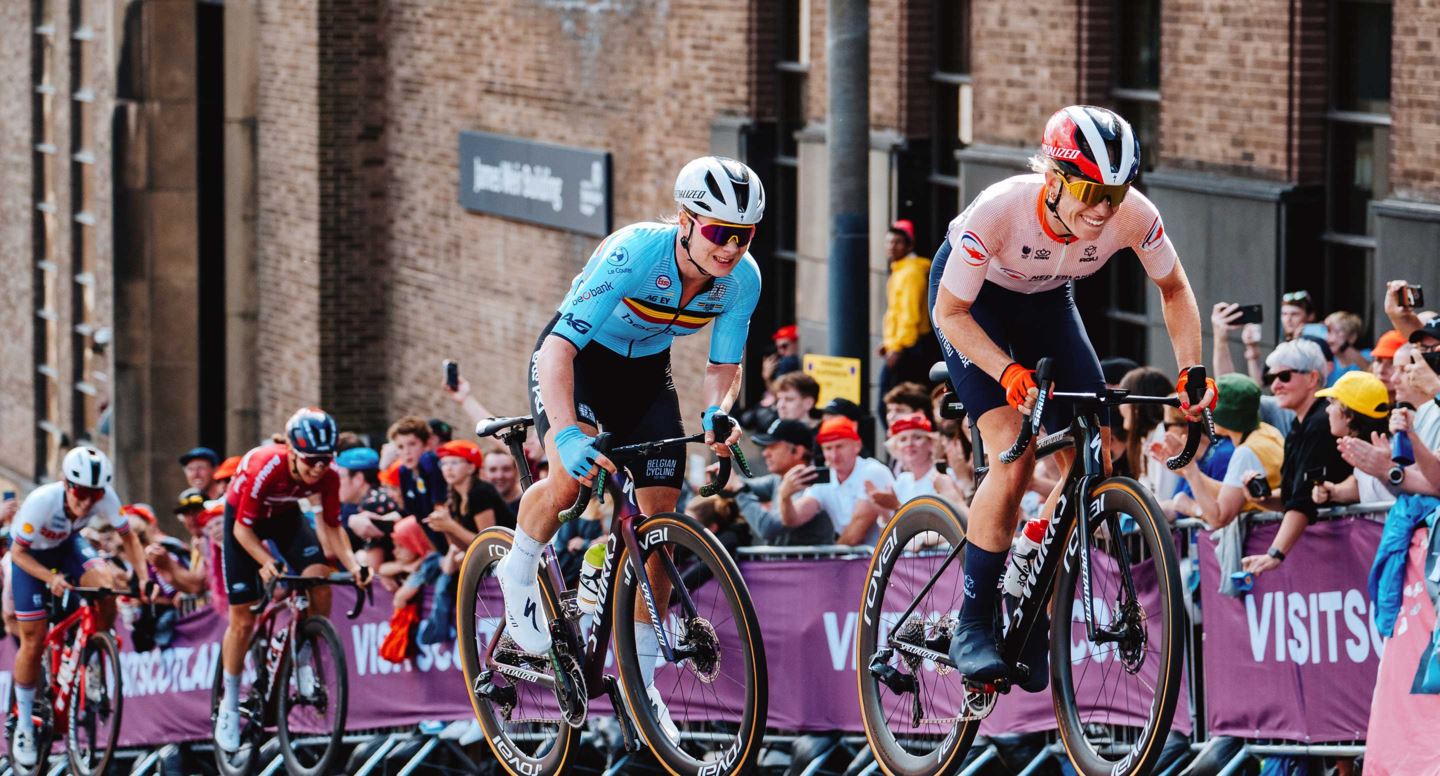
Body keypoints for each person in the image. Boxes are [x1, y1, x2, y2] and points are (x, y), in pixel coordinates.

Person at [927, 105, 1213, 692]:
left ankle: (1032, 555)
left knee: (1095, 458)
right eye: (1089, 190)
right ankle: (973, 622)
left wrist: (1192, 370)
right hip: (973, 305)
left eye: (1115, 191)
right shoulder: (1001, 209)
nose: (1103, 209)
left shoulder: (1133, 216)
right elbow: (949, 314)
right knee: (1013, 450)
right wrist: (1005, 370)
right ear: (1054, 178)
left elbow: (1175, 288)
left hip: (1048, 301)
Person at [495, 156, 763, 729]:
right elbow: (557, 351)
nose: (730, 248)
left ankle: (641, 686)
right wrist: (566, 434)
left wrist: (718, 411)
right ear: (686, 221)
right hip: (578, 363)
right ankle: (517, 569)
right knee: (569, 483)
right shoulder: (636, 251)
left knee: (662, 523)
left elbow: (724, 365)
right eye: (718, 232)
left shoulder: (743, 279)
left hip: (645, 377)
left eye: (743, 235)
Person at [214, 408, 371, 752]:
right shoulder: (265, 466)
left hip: (285, 519)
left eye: (326, 459)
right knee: (242, 620)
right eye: (312, 460)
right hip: (244, 525)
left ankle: (302, 656)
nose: (319, 467)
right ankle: (228, 702)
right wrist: (266, 561)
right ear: (292, 452)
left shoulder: (328, 476)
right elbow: (243, 529)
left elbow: (332, 525)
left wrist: (354, 564)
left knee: (319, 579)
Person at [8, 447, 151, 768]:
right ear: (66, 484)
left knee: (105, 585)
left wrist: (143, 578)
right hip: (31, 560)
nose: (87, 502)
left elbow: (129, 539)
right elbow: (18, 554)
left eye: (95, 494)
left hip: (68, 546)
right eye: (81, 493)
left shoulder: (105, 498)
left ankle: (96, 651)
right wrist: (50, 579)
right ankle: (26, 725)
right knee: (34, 640)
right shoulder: (42, 501)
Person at [1240, 340, 1353, 576]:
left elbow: (1302, 502)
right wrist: (1262, 499)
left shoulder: (1322, 422)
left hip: (1346, 546)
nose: (1276, 386)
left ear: (1312, 378)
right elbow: (1294, 496)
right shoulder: (1298, 425)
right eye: (1271, 379)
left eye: (1284, 376)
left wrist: (1275, 553)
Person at [1164, 374, 1283, 529]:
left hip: (1262, 540)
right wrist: (1189, 472)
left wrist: (1191, 472)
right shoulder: (1268, 432)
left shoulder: (1246, 452)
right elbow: (1231, 492)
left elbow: (1219, 518)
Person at [779, 417, 896, 546]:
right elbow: (793, 520)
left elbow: (856, 533)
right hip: (858, 559)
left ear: (857, 446)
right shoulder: (825, 477)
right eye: (828, 448)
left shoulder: (872, 471)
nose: (834, 455)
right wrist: (785, 496)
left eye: (839, 446)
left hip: (884, 559)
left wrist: (833, 560)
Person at [722, 418, 835, 546]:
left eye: (773, 446)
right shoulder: (779, 478)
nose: (765, 453)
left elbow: (768, 528)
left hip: (806, 565)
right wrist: (722, 479)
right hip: (784, 564)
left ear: (797, 451)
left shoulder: (812, 484)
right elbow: (746, 485)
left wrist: (738, 490)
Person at [878, 219, 938, 407]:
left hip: (909, 348)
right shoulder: (901, 270)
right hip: (902, 346)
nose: (891, 247)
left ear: (909, 245)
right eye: (889, 242)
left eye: (897, 242)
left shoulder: (911, 273)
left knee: (892, 402)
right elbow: (895, 313)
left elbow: (909, 315)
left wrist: (896, 347)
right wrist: (888, 344)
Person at [1311, 371, 1394, 506]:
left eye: (1332, 403)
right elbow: (1360, 484)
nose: (1327, 410)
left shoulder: (1394, 451)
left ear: (1349, 415)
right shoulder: (1364, 446)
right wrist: (1333, 491)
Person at [427, 439, 513, 549]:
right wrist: (444, 526)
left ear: (471, 468)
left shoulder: (480, 492)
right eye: (444, 463)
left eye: (454, 462)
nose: (448, 468)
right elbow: (462, 547)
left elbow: (489, 543)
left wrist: (451, 525)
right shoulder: (455, 496)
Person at [388, 416, 450, 554]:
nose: (406, 451)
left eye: (412, 444)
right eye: (400, 447)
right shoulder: (404, 472)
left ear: (426, 444)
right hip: (435, 544)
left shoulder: (430, 464)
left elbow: (441, 513)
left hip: (452, 541)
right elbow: (418, 518)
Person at [1324, 311, 1371, 386]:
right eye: (1328, 331)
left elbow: (1371, 373)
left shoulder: (1367, 355)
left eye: (1336, 331)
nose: (1329, 338)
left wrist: (1345, 345)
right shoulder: (1330, 362)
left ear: (1352, 336)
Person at [480, 441, 525, 515]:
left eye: (506, 469)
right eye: (493, 470)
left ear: (516, 471)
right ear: (483, 473)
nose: (499, 476)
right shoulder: (481, 506)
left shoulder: (529, 503)